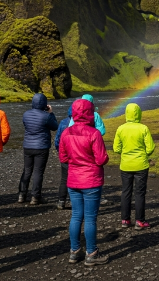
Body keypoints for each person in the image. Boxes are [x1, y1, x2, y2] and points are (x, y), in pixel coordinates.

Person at [59, 99, 110, 266]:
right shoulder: (94, 133)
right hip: (91, 181)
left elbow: (63, 157)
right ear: (90, 113)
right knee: (90, 219)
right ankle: (91, 253)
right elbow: (101, 159)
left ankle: (74, 251)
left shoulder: (66, 132)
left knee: (76, 216)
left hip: (73, 180)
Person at [114, 103, 155, 230]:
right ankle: (140, 221)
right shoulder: (143, 128)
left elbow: (116, 148)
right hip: (141, 165)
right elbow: (150, 148)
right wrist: (143, 154)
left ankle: (125, 220)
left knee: (126, 192)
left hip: (126, 165)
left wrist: (125, 154)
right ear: (139, 113)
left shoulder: (121, 128)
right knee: (139, 193)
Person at [20, 93, 58, 205]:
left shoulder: (26, 114)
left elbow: (25, 125)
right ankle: (35, 197)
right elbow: (55, 126)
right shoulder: (46, 116)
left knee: (26, 170)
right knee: (38, 172)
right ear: (44, 104)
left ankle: (22, 195)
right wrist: (51, 113)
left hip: (27, 145)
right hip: (41, 146)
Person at [55, 105, 74, 210]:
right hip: (77, 157)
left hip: (65, 156)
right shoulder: (84, 124)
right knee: (75, 179)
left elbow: (57, 140)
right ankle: (73, 201)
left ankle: (61, 201)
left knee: (64, 179)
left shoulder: (63, 123)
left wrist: (60, 152)